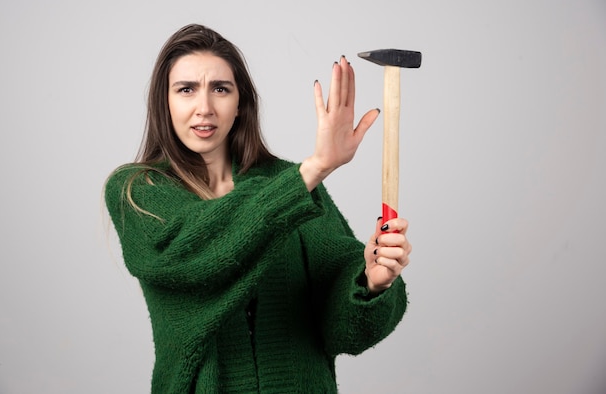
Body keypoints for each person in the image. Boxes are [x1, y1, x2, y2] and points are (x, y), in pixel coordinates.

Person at [104, 23, 412, 393]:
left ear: (240, 104)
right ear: (164, 102)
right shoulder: (137, 192)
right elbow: (194, 255)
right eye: (186, 90)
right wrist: (315, 168)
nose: (204, 107)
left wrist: (372, 282)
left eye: (221, 89)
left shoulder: (291, 184)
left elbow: (344, 330)